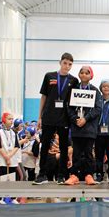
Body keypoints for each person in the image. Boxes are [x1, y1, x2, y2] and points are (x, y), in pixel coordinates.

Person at [33, 52, 79, 185]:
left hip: (64, 119)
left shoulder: (73, 80)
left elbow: (75, 101)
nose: (67, 66)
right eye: (65, 63)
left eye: (70, 64)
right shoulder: (49, 76)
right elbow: (44, 97)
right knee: (45, 146)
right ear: (60, 62)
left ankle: (62, 175)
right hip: (48, 117)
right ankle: (42, 175)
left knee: (64, 148)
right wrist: (39, 117)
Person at [64, 66, 102, 185]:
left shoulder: (95, 91)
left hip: (89, 128)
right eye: (82, 72)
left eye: (87, 73)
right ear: (79, 75)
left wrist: (86, 119)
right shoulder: (73, 90)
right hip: (76, 128)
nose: (84, 74)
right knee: (76, 153)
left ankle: (88, 175)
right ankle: (74, 175)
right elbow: (69, 108)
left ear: (91, 75)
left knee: (88, 153)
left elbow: (98, 108)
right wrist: (75, 119)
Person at [95, 79, 109, 184]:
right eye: (103, 86)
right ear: (101, 88)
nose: (106, 88)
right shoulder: (97, 102)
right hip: (98, 133)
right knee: (99, 155)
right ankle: (99, 174)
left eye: (108, 86)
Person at [0, 113, 20, 204]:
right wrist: (6, 157)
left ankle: (12, 198)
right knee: (1, 179)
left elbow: (17, 146)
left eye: (12, 119)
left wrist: (9, 156)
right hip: (2, 159)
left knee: (12, 179)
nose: (11, 121)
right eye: (9, 119)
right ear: (4, 120)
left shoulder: (14, 132)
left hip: (12, 159)